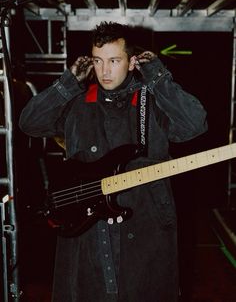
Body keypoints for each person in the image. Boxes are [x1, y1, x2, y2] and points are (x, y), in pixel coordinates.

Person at [19, 21, 207, 302]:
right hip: (87, 227)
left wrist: (157, 77)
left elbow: (194, 124)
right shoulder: (78, 103)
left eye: (114, 60)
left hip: (145, 227)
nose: (105, 71)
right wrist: (68, 82)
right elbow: (29, 123)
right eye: (98, 61)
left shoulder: (151, 101)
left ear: (132, 63)